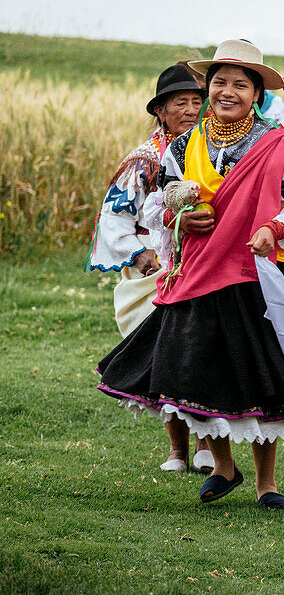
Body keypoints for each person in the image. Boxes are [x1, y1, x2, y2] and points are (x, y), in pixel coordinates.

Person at [96, 40, 284, 511]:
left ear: (257, 93)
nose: (227, 91)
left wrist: (274, 227)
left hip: (259, 269)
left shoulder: (280, 143)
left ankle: (267, 482)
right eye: (219, 81)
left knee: (266, 372)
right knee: (201, 366)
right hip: (202, 269)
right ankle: (223, 465)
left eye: (241, 84)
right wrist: (180, 220)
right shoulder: (184, 144)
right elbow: (162, 203)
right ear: (210, 86)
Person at [87, 63, 213, 474]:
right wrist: (141, 256)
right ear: (160, 110)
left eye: (197, 100)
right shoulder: (144, 160)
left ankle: (208, 445)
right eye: (181, 102)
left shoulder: (210, 150)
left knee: (201, 354)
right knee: (167, 359)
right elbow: (114, 217)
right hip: (156, 271)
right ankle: (178, 449)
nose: (191, 109)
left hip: (198, 265)